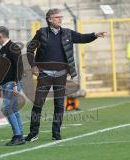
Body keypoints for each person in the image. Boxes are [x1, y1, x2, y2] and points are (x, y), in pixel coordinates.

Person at [25, 8, 106, 142]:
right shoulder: (41, 33)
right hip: (44, 74)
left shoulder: (67, 33)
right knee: (38, 103)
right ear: (49, 19)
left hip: (61, 75)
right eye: (57, 17)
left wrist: (94, 35)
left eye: (60, 17)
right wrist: (33, 66)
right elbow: (29, 50)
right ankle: (33, 133)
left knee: (59, 105)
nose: (60, 19)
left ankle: (56, 133)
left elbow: (81, 37)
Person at [0, 26, 25, 146]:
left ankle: (17, 135)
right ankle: (20, 135)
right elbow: (3, 69)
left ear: (0, 36)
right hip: (6, 84)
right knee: (14, 110)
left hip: (13, 84)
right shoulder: (2, 50)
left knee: (7, 108)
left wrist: (16, 84)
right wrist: (0, 84)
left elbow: (19, 67)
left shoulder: (14, 48)